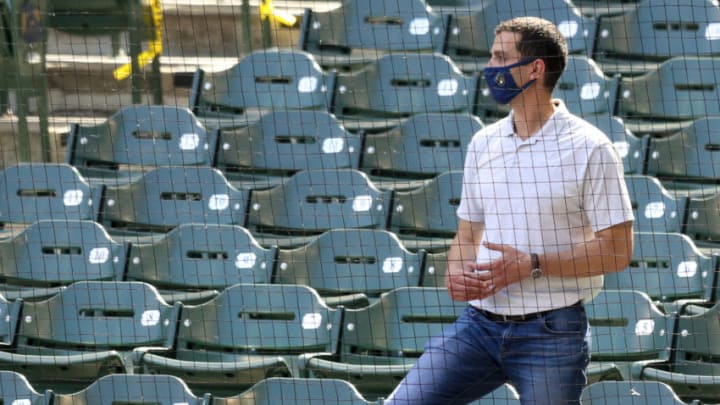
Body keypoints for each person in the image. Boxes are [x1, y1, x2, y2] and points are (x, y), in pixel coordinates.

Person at [384, 16, 634, 405]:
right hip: (478, 327)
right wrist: (456, 270)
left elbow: (617, 251)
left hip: (552, 332)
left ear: (535, 69)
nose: (490, 68)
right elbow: (468, 233)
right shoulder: (484, 143)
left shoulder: (591, 148)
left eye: (500, 57)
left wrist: (532, 264)